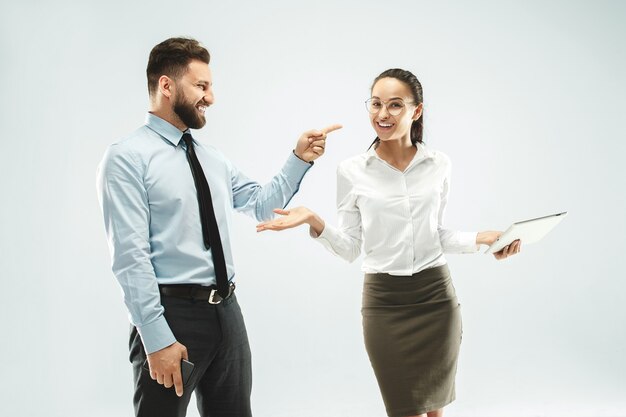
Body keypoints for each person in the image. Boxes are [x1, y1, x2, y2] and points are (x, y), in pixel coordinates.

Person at [96, 37, 341, 417]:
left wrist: (298, 158)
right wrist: (156, 337)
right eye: (201, 86)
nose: (211, 98)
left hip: (228, 313)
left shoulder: (212, 159)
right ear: (166, 85)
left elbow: (261, 205)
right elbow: (130, 258)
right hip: (171, 316)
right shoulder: (127, 158)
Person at [256, 68, 521, 417]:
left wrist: (482, 239)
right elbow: (351, 247)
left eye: (395, 105)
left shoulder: (439, 164)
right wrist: (314, 220)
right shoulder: (352, 171)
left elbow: (434, 234)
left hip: (436, 298)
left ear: (417, 111)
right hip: (384, 303)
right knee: (404, 409)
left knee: (436, 411)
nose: (383, 114)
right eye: (376, 104)